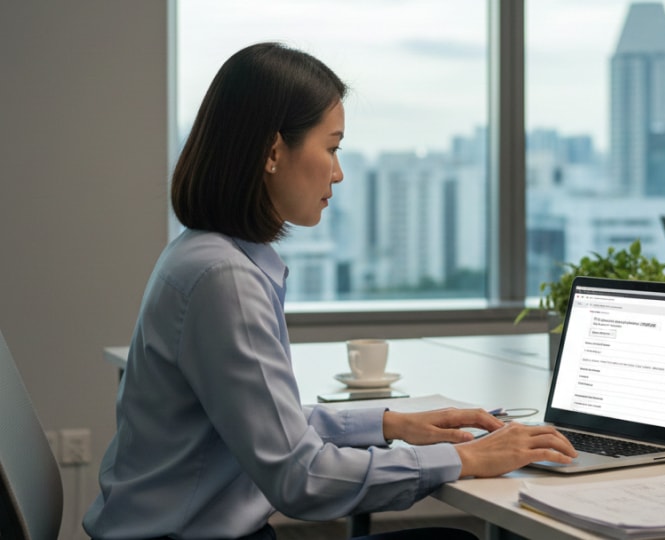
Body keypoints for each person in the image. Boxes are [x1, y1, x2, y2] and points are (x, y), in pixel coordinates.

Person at [83, 42, 577, 540]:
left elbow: (268, 423)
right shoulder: (223, 279)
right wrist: (463, 457)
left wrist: (390, 424)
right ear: (273, 152)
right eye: (332, 147)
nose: (338, 172)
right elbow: (300, 478)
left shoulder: (203, 255)